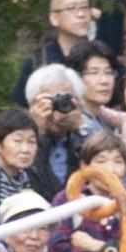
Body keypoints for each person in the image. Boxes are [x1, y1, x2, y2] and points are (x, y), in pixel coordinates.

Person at [11, 0, 95, 105]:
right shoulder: (38, 61)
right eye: (71, 8)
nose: (81, 14)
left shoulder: (100, 56)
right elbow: (22, 110)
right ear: (54, 18)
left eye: (85, 7)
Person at [23, 63, 87, 200]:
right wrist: (36, 131)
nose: (57, 108)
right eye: (51, 101)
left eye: (65, 100)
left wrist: (80, 129)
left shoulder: (83, 133)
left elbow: (102, 164)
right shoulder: (17, 141)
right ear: (32, 105)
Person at [64, 39, 119, 141]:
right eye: (94, 73)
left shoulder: (107, 120)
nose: (104, 80)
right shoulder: (69, 120)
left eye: (109, 72)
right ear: (76, 77)